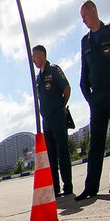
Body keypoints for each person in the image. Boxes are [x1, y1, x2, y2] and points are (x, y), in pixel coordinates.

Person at [75, 0, 110, 201]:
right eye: (81, 18)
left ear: (93, 11)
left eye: (85, 16)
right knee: (95, 145)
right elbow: (84, 72)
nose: (83, 20)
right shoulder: (85, 41)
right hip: (97, 97)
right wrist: (89, 97)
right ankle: (90, 188)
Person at [32, 45, 72, 197]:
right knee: (51, 157)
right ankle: (55, 188)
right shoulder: (38, 78)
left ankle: (68, 186)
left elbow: (67, 88)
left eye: (35, 56)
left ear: (43, 55)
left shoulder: (54, 70)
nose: (33, 59)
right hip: (46, 121)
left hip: (57, 117)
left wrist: (61, 106)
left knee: (63, 152)